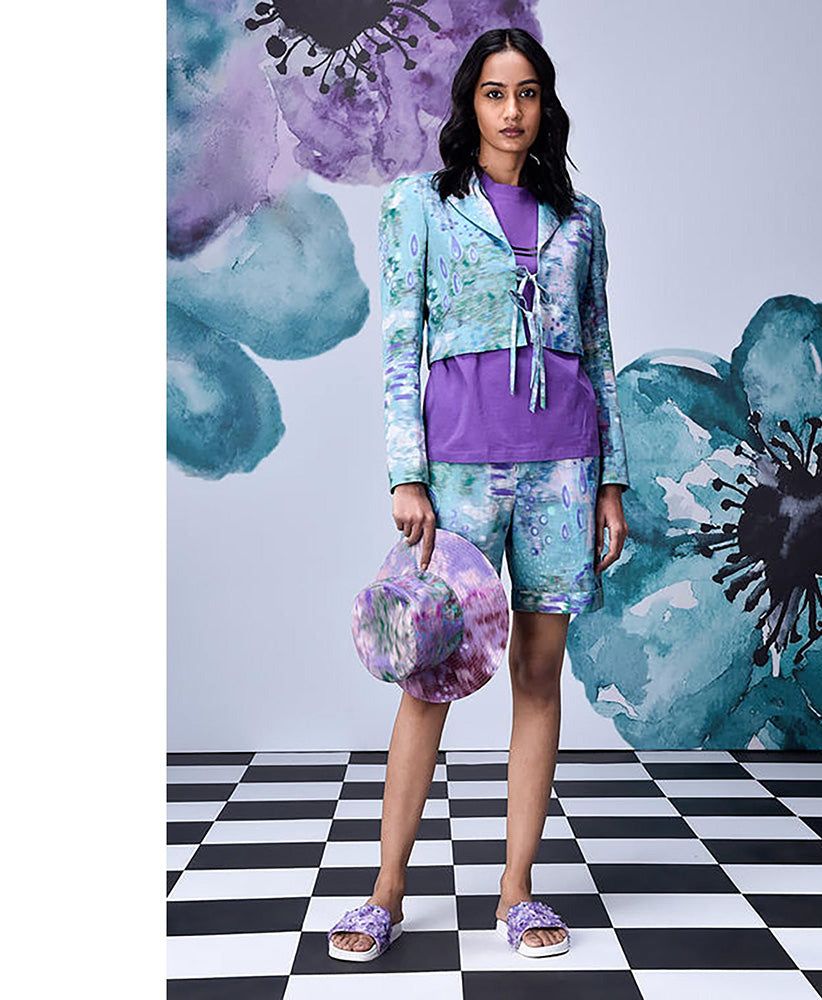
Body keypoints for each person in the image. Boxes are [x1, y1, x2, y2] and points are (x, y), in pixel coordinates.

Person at [331, 26, 630, 957]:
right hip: (458, 475)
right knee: (429, 675)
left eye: (527, 92)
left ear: (546, 106)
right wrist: (406, 471)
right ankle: (385, 892)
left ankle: (517, 892)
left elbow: (600, 350)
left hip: (563, 471)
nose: (512, 110)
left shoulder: (581, 220)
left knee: (538, 678)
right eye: (495, 93)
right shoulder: (421, 205)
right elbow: (401, 341)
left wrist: (610, 481)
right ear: (470, 103)